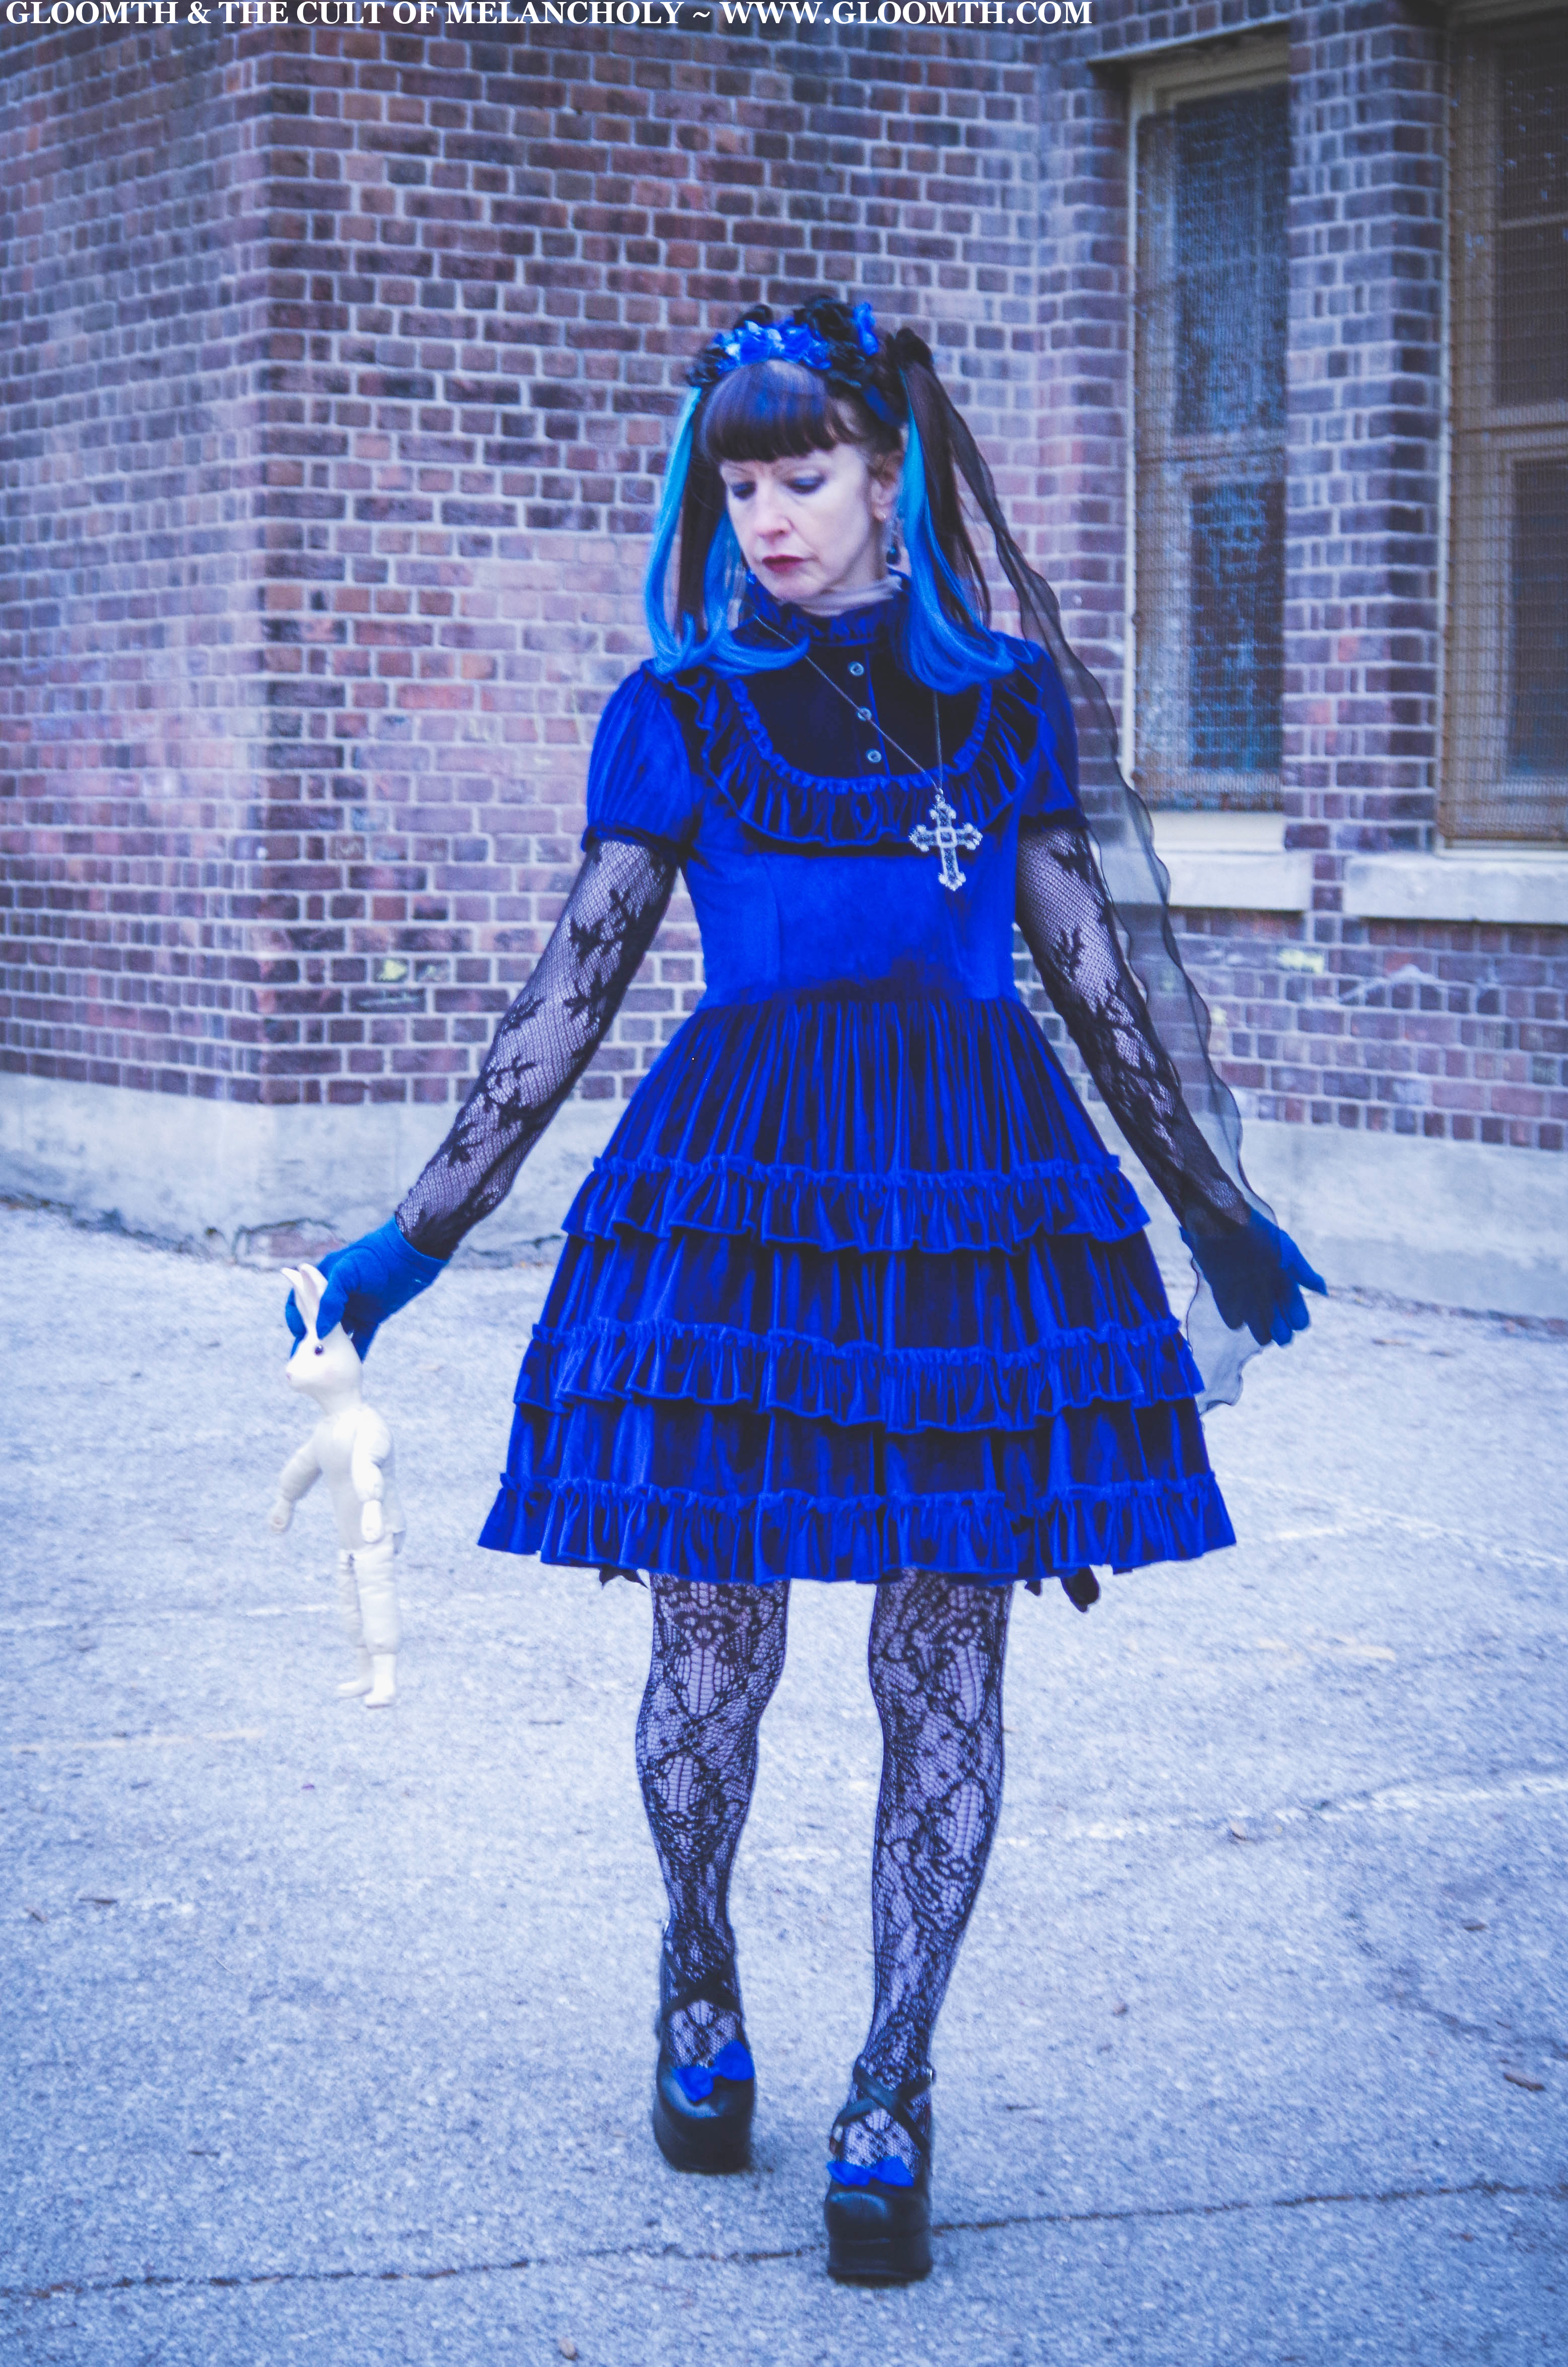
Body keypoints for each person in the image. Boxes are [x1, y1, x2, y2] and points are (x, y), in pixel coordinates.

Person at [287, 296, 1324, 2287]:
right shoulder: (678, 708)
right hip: (740, 1205)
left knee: (943, 1653)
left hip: (964, 1206)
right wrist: (408, 1242)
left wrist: (1210, 1209)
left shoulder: (1004, 704)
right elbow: (570, 990)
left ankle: (891, 2086)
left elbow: (1091, 977)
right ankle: (695, 1968)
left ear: (889, 476)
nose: (766, 517)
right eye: (740, 484)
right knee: (711, 1642)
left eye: (804, 476)